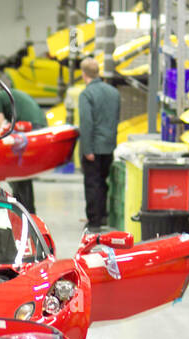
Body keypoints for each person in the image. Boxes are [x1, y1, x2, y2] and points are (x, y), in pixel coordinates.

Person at [0, 83, 47, 213]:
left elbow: (1, 124)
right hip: (39, 124)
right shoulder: (9, 95)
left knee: (18, 170)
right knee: (21, 171)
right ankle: (25, 207)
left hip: (29, 128)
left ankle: (25, 209)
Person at [77, 57, 120, 233]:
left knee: (92, 183)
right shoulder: (114, 92)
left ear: (83, 74)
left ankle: (94, 221)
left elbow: (86, 123)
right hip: (109, 146)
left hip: (93, 147)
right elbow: (116, 118)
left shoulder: (86, 94)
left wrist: (87, 149)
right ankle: (103, 215)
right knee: (103, 182)